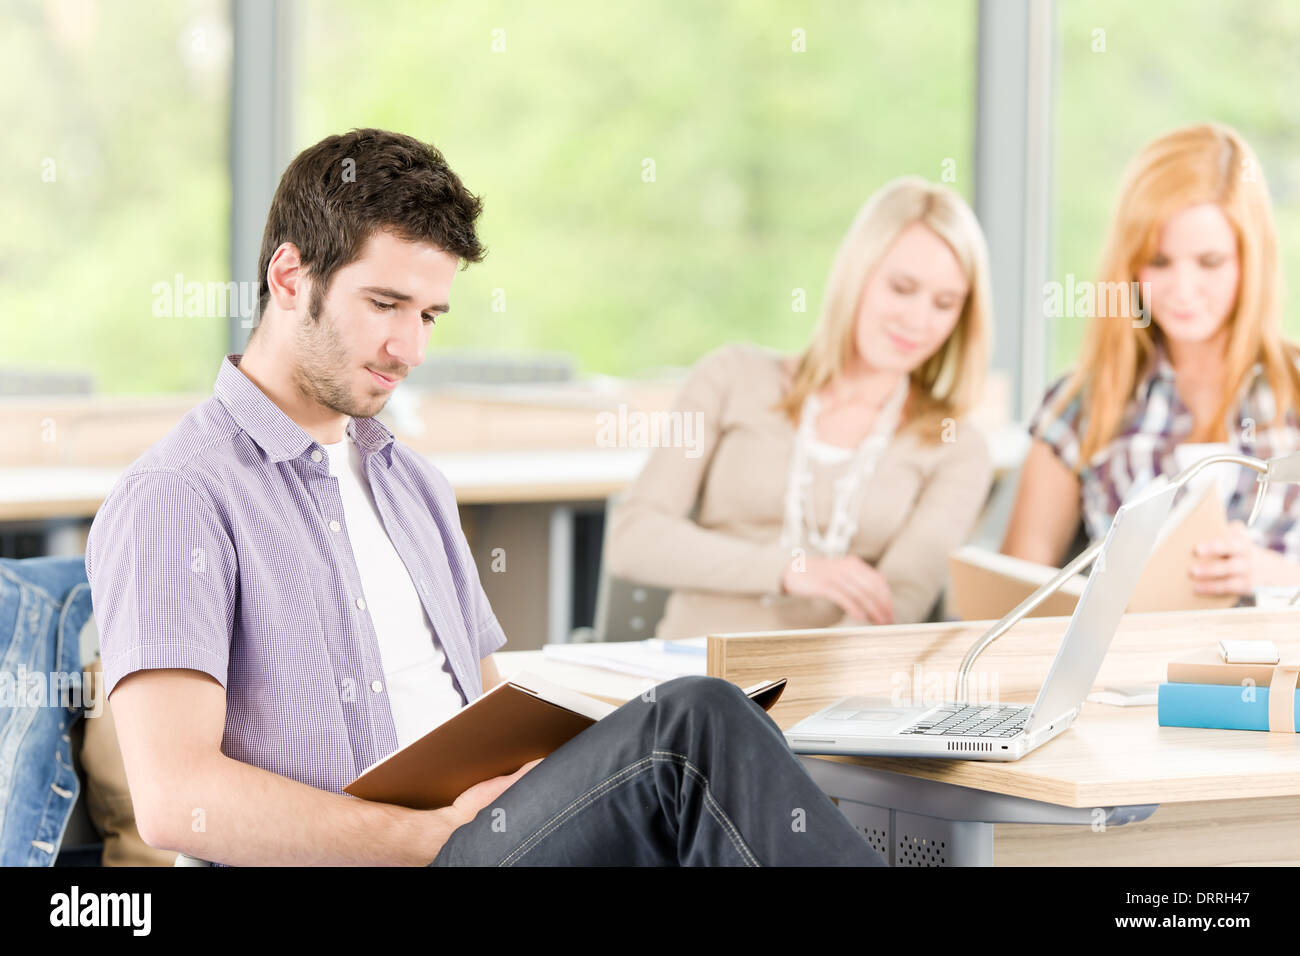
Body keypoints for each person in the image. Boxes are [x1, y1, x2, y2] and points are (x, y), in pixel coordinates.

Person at [84, 128, 885, 866]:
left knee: (716, 744)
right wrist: (425, 839)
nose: (412, 349)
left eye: (431, 313)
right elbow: (175, 802)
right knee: (693, 728)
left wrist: (572, 765)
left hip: (482, 843)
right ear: (291, 277)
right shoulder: (178, 495)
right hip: (402, 856)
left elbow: (490, 714)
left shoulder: (412, 485)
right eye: (386, 305)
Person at [605, 177, 995, 637]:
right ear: (857, 273)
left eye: (945, 303)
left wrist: (810, 691)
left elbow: (896, 602)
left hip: (825, 691)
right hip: (692, 682)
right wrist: (791, 569)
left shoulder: (957, 449)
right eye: (902, 288)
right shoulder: (730, 377)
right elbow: (634, 539)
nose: (918, 320)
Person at [1001, 122, 1300, 600]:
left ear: (1250, 260)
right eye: (1159, 262)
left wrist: (1272, 573)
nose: (1182, 290)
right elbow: (1011, 600)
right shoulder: (1081, 406)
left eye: (1209, 262)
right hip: (1130, 671)